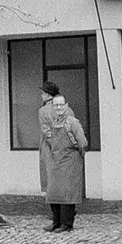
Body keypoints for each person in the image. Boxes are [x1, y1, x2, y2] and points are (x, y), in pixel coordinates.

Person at [38, 80, 88, 232]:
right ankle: (59, 222)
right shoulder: (66, 113)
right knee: (59, 189)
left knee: (61, 189)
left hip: (58, 154)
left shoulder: (45, 112)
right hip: (60, 154)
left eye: (43, 93)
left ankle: (63, 222)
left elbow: (80, 139)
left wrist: (59, 146)